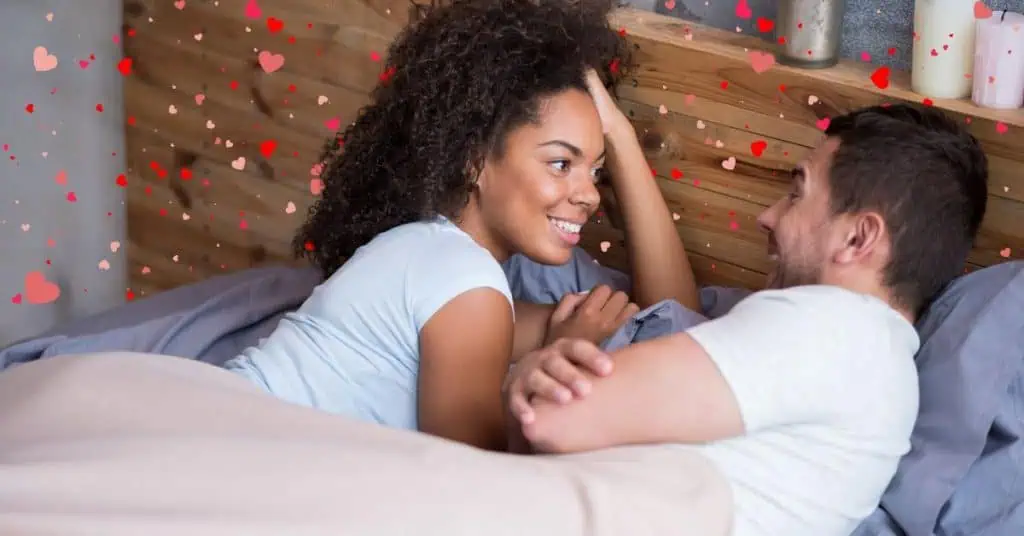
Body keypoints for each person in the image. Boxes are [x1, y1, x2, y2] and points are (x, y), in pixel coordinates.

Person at [221, 0, 689, 451]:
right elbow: (468, 480)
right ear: (474, 161)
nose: (589, 194)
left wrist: (622, 138)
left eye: (597, 170)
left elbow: (673, 324)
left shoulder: (439, 261)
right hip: (237, 449)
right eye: (561, 163)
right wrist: (555, 368)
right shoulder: (465, 279)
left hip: (225, 427)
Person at [504, 103, 989, 535]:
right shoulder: (877, 366)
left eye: (797, 194)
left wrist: (533, 369)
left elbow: (547, 420)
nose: (768, 217)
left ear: (859, 239)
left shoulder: (835, 328)